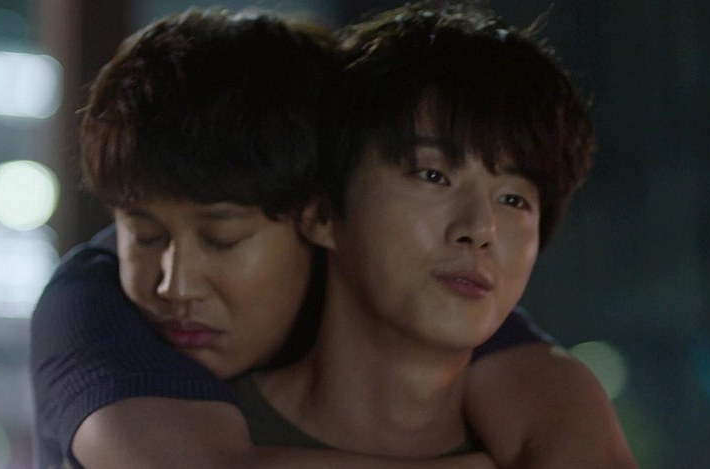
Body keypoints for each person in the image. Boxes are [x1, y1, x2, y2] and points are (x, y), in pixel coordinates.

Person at [30, 6, 558, 469]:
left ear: (322, 217)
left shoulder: (394, 289)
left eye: (223, 240)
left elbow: (564, 415)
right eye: (145, 235)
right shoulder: (94, 301)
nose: (176, 285)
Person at [229, 2, 638, 467]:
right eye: (433, 176)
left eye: (512, 200)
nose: (479, 230)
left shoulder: (555, 437)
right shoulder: (198, 433)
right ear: (322, 213)